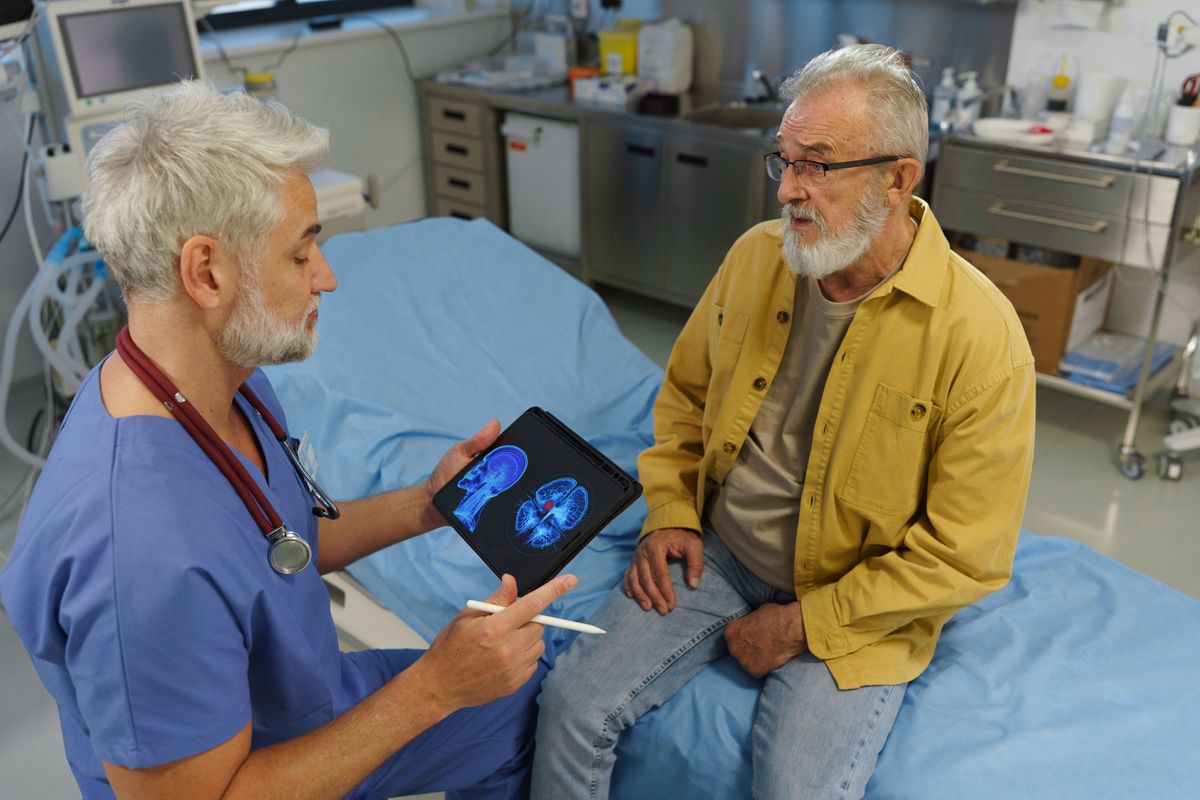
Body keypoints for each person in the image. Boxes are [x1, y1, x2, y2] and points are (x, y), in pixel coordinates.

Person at [0, 81, 575, 800]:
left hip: (296, 699)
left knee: (527, 702)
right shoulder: (139, 559)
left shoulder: (217, 381)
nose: (327, 278)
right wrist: (433, 689)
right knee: (500, 705)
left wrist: (426, 503)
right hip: (246, 769)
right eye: (301, 256)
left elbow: (279, 544)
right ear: (206, 272)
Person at [531, 44, 1036, 800]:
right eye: (785, 161)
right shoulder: (754, 260)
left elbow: (966, 555)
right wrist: (670, 511)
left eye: (819, 166)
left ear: (898, 179)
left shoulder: (981, 338)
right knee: (571, 704)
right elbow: (684, 404)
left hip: (857, 600)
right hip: (722, 554)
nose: (790, 191)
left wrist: (802, 626)